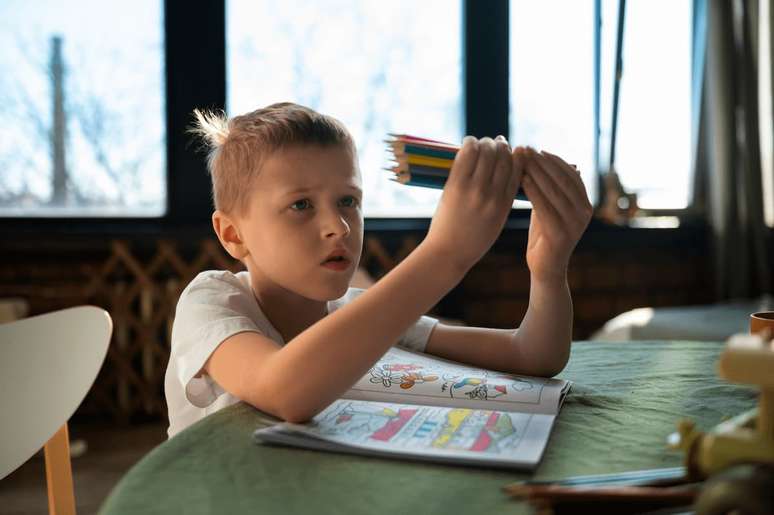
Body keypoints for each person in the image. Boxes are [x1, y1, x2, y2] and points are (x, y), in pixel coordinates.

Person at [164, 102, 592, 438]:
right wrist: (444, 255)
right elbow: (284, 391)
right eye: (301, 205)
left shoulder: (360, 312)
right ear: (233, 234)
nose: (339, 226)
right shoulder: (212, 302)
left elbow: (532, 355)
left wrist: (548, 268)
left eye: (348, 200)